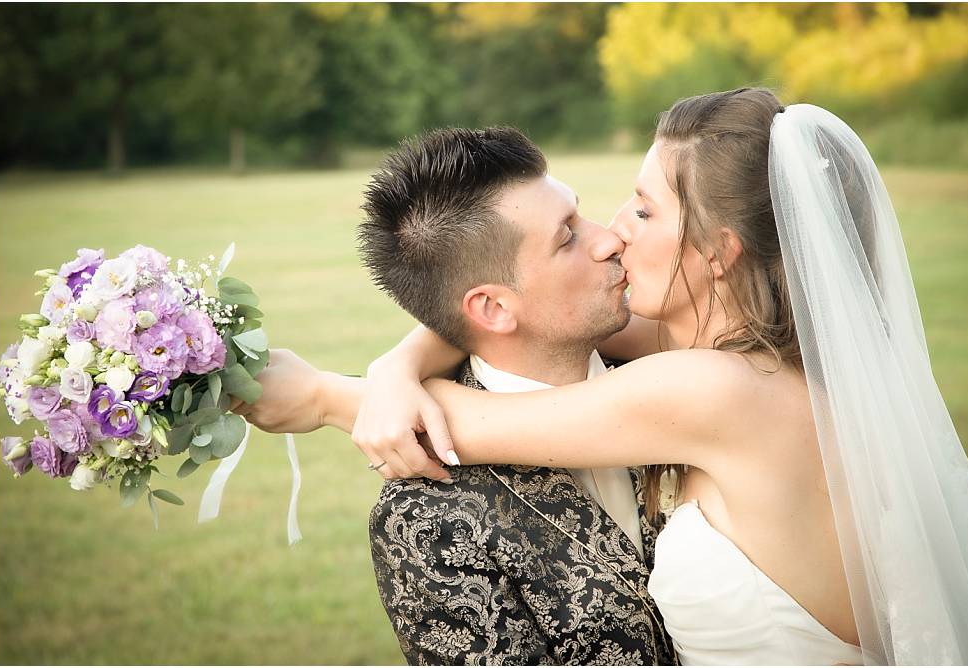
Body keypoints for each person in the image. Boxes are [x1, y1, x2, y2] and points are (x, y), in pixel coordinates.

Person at [243, 88, 968, 665]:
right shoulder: (731, 352)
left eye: (641, 209)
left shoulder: (712, 388)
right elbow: (488, 313)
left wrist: (324, 395)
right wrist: (397, 362)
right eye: (587, 225)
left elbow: (477, 413)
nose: (613, 234)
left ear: (718, 251)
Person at [239, 126, 676, 665]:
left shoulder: (671, 355)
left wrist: (390, 368)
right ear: (492, 309)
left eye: (578, 212)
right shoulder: (426, 518)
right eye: (567, 237)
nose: (610, 238)